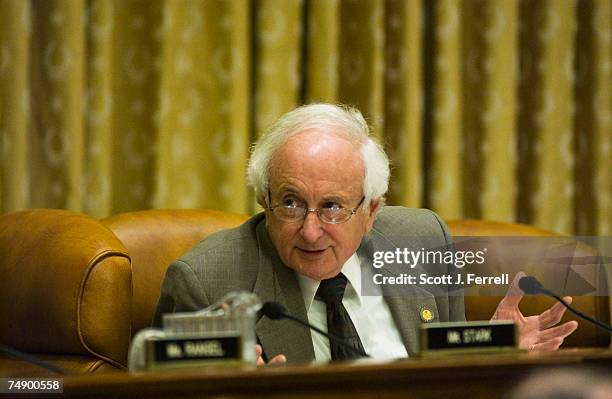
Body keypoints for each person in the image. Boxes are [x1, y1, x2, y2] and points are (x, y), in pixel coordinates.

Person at [153, 103, 577, 364]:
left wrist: (489, 358)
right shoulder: (206, 283)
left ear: (372, 211)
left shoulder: (422, 241)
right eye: (291, 203)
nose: (312, 230)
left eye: (333, 207)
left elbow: (448, 380)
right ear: (264, 200)